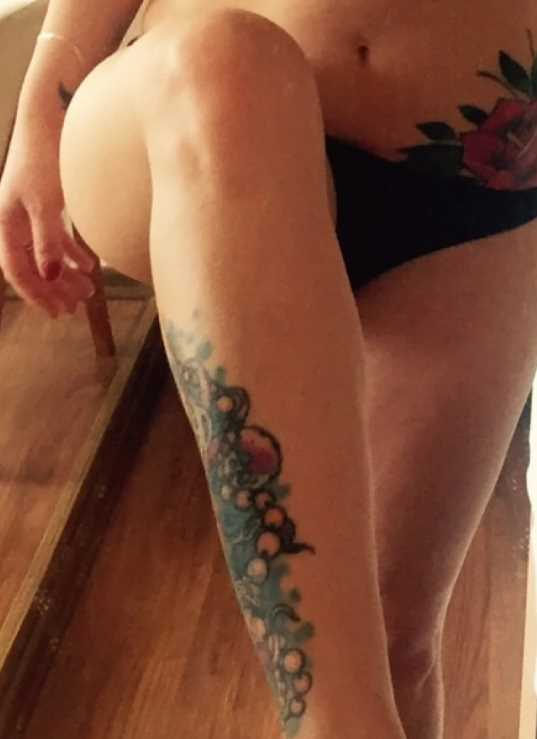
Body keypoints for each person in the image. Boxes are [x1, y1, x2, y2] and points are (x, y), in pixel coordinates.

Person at [1, 1, 537, 737]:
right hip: (198, 119)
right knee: (229, 65)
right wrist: (41, 107)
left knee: (397, 649)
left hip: (477, 187)